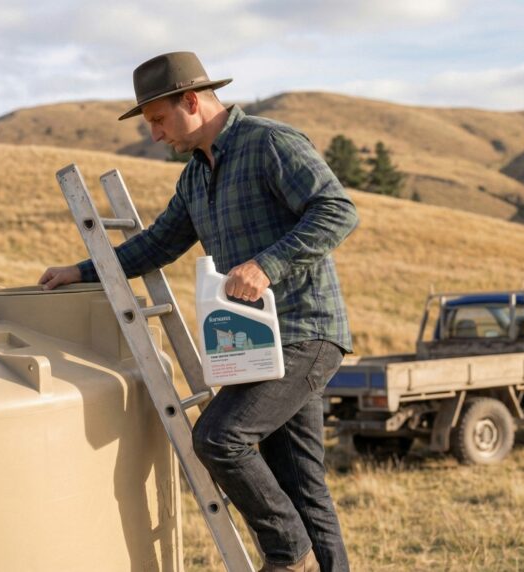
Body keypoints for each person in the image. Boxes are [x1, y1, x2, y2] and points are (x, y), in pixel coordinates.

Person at [38, 51, 358, 572]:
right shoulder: (194, 180)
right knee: (303, 489)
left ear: (192, 100)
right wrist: (81, 270)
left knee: (218, 438)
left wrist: (266, 266)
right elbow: (158, 244)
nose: (156, 135)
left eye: (159, 120)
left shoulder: (270, 143)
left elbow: (337, 210)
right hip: (258, 346)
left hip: (306, 333)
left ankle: (288, 558)